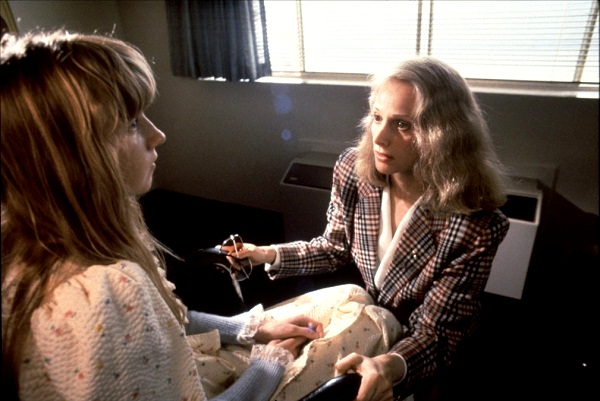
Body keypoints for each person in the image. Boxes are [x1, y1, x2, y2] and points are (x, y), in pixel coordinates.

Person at [1, 30, 330, 401]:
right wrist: (268, 364)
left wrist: (250, 329)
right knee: (360, 310)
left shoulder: (31, 247)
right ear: (74, 156)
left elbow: (169, 320)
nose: (158, 134)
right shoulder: (103, 294)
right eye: (132, 123)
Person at [234, 57, 511, 400]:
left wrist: (390, 365)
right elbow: (334, 247)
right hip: (368, 319)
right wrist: (266, 254)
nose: (379, 137)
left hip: (426, 348)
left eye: (403, 125)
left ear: (443, 135)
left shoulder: (476, 226)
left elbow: (437, 335)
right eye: (377, 117)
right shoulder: (354, 171)